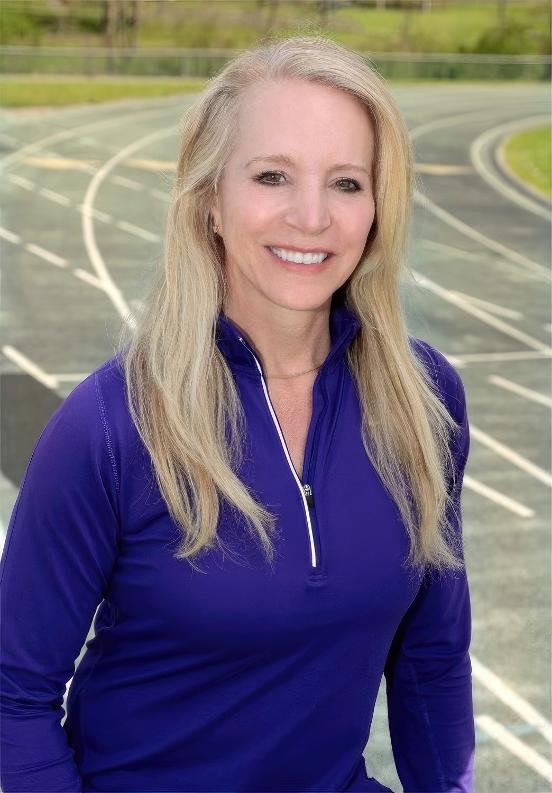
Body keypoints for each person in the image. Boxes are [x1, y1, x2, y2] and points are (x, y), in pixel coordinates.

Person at [0, 35, 475, 793]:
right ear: (211, 200)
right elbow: (12, 699)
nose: (312, 216)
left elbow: (431, 659)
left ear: (377, 207)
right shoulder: (112, 426)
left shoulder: (423, 400)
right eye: (272, 176)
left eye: (347, 182)